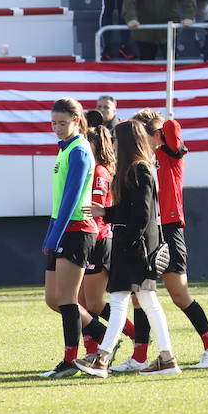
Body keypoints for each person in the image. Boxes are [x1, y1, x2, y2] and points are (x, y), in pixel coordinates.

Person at [119, 110, 208, 371]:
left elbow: (173, 133)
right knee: (140, 293)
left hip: (170, 227)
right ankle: (139, 355)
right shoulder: (141, 159)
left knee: (179, 294)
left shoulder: (169, 152)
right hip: (150, 230)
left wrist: (166, 120)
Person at [89, 120, 181, 377]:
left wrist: (127, 243)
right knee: (148, 303)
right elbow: (132, 210)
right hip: (136, 246)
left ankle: (102, 359)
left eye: (117, 140)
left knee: (119, 302)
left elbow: (142, 216)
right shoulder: (135, 169)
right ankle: (167, 358)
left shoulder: (140, 169)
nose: (114, 145)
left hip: (136, 249)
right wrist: (105, 212)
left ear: (127, 142)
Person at [38, 98, 101, 378]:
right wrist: (51, 233)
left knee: (67, 299)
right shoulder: (63, 149)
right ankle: (106, 334)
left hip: (76, 230)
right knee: (53, 300)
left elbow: (71, 199)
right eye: (53, 122)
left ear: (77, 121)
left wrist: (55, 235)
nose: (56, 128)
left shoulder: (79, 150)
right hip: (62, 228)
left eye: (62, 123)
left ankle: (70, 360)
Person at [77, 121, 124, 368]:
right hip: (93, 237)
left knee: (93, 303)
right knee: (82, 303)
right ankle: (92, 351)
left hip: (99, 238)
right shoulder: (96, 170)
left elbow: (96, 210)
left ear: (95, 145)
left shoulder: (99, 172)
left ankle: (138, 339)